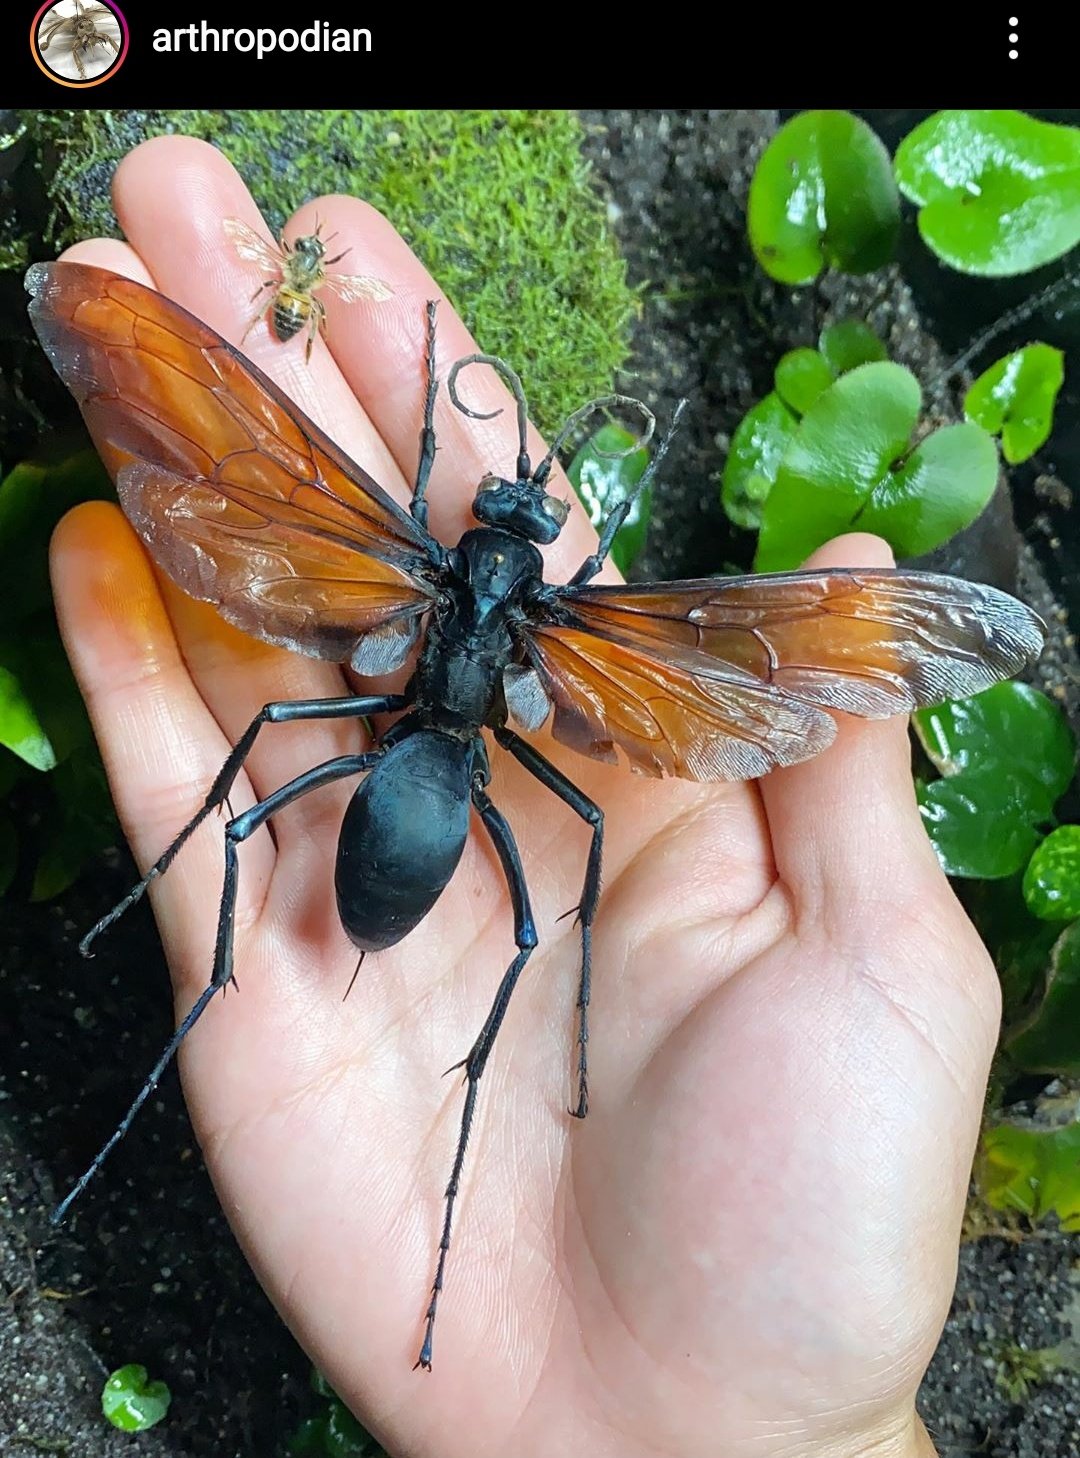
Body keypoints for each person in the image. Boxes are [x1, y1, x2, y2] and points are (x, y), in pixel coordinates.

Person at [48, 135, 985, 1458]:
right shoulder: (555, 616)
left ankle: (216, 980)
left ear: (472, 536)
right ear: (527, 547)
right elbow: (593, 818)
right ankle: (234, 991)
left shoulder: (429, 568)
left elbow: (307, 620)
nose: (503, 502)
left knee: (274, 732)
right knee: (534, 856)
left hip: (398, 778)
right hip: (431, 793)